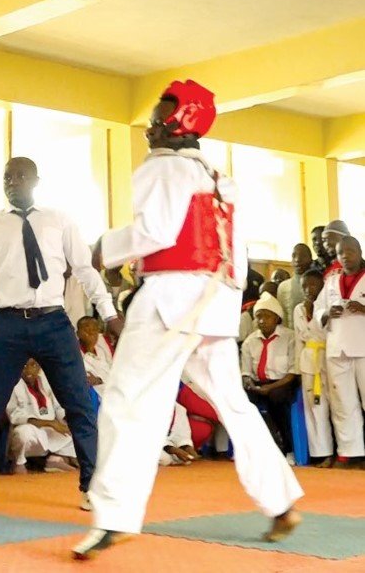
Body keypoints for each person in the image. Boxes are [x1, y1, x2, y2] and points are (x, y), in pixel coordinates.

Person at [76, 79, 301, 559]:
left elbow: (153, 232)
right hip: (214, 303)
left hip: (170, 298)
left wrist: (102, 249)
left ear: (180, 126)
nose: (150, 129)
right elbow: (237, 256)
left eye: (159, 119)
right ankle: (281, 502)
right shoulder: (220, 178)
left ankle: (114, 515)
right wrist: (220, 296)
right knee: (233, 405)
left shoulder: (164, 169)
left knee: (127, 399)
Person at [0, 156, 121, 513]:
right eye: (6, 177)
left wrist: (108, 311)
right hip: (6, 323)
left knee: (79, 404)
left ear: (35, 180)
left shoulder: (58, 220)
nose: (12, 182)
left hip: (53, 321)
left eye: (20, 176)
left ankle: (91, 484)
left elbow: (84, 268)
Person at [314, 235, 365, 467]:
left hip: (362, 347)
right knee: (343, 403)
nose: (345, 256)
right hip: (338, 349)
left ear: (359, 251)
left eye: (349, 251)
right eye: (340, 253)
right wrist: (326, 314)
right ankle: (350, 453)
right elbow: (317, 309)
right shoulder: (331, 282)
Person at [241, 293, 297, 461]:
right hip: (258, 384)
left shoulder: (290, 337)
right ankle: (253, 451)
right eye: (258, 317)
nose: (262, 321)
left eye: (266, 316)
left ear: (277, 318)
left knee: (276, 400)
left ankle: (287, 448)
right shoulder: (250, 341)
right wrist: (249, 383)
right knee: (242, 401)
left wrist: (270, 387)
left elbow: (293, 372)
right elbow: (245, 372)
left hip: (282, 383)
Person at [7, 359, 78, 474]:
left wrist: (67, 420)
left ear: (39, 367)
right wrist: (51, 423)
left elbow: (58, 407)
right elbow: (15, 416)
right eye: (24, 365)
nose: (28, 369)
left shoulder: (46, 380)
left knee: (75, 429)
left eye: (33, 365)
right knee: (23, 434)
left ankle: (55, 459)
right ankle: (19, 462)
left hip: (49, 430)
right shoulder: (13, 384)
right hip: (31, 430)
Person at [294, 269, 332, 466]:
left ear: (323, 286)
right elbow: (297, 340)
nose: (308, 290)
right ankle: (321, 452)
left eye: (313, 285)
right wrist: (295, 368)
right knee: (314, 408)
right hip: (308, 360)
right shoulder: (298, 309)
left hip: (329, 357)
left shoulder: (329, 307)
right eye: (304, 286)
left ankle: (341, 452)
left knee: (336, 406)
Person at [279, 244, 313, 329]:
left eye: (303, 256)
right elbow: (284, 319)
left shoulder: (319, 284)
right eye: (294, 256)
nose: (297, 260)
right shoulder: (283, 287)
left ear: (311, 260)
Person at [77, 317, 112, 396]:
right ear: (78, 334)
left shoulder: (101, 351)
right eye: (87, 330)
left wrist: (99, 380)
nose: (91, 333)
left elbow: (111, 375)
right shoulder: (74, 354)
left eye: (94, 329)